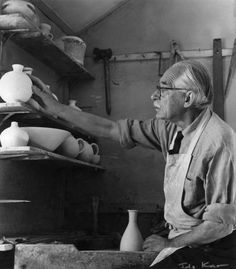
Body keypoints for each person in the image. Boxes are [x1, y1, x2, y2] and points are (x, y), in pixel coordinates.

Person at [28, 59, 236, 268]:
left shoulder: (219, 141)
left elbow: (220, 225)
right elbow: (111, 129)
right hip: (182, 238)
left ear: (188, 98)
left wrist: (169, 243)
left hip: (214, 247)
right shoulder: (170, 128)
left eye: (163, 90)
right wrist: (56, 108)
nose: (154, 96)